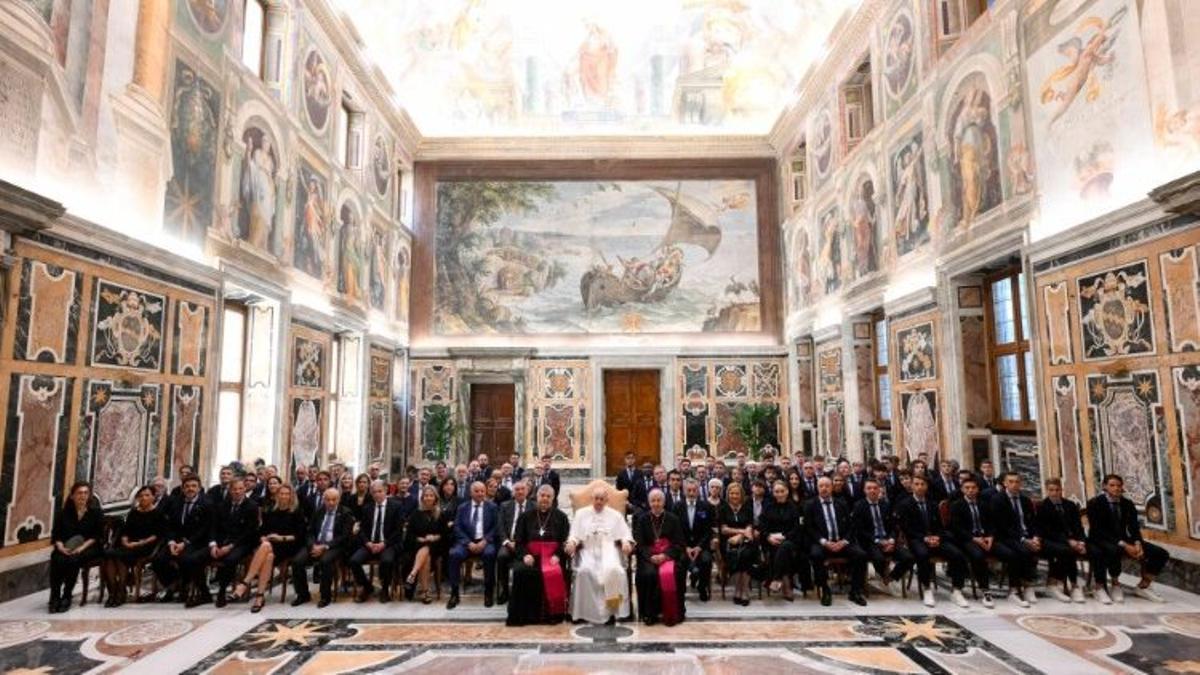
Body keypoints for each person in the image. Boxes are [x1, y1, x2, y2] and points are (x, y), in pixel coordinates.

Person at [1086, 473, 1168, 604]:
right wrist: (1124, 545)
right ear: (1105, 487)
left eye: (1119, 486)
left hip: (1123, 538)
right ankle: (1113, 585)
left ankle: (1143, 586)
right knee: (1114, 550)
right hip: (1100, 539)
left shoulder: (1127, 504)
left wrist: (1137, 543)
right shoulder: (1095, 503)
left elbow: (1134, 527)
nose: (1116, 488)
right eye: (1112, 485)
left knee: (1161, 553)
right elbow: (1098, 530)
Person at [895, 474, 969, 608]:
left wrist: (937, 537)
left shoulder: (933, 504)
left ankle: (957, 590)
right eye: (916, 484)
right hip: (917, 539)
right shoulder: (904, 504)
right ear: (912, 486)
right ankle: (927, 588)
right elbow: (906, 528)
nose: (920, 487)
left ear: (927, 486)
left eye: (922, 484)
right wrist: (924, 538)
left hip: (935, 538)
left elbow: (940, 526)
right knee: (923, 554)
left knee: (957, 554)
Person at [232, 483, 306, 612]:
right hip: (272, 547)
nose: (284, 496)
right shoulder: (271, 511)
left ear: (291, 496)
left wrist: (281, 538)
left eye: (287, 494)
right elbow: (261, 531)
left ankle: (244, 583)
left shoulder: (297, 512)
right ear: (277, 495)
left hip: (289, 546)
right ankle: (259, 597)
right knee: (268, 556)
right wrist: (262, 537)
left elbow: (300, 536)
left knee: (266, 548)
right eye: (281, 494)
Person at [566, 487, 634, 624]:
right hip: (588, 551)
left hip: (609, 552)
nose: (598, 502)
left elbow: (625, 534)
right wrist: (572, 542)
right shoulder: (581, 514)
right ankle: (583, 612)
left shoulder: (615, 515)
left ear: (606, 500)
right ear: (592, 499)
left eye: (601, 499)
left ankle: (612, 611)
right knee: (584, 571)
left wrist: (625, 542)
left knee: (614, 571)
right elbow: (574, 534)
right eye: (596, 498)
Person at [507, 484, 570, 626]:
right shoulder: (525, 517)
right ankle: (524, 616)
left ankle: (552, 615)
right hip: (531, 557)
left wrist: (558, 555)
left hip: (552, 558)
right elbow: (519, 541)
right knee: (520, 571)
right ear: (537, 497)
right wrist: (525, 555)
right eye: (542, 495)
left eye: (548, 496)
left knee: (555, 572)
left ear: (553, 499)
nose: (545, 499)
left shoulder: (561, 517)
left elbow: (564, 541)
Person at [805, 476, 867, 607]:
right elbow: (809, 528)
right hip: (822, 542)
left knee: (861, 555)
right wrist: (824, 542)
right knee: (816, 555)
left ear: (832, 487)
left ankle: (855, 591)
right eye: (821, 486)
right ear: (817, 488)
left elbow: (851, 526)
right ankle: (825, 590)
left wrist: (844, 541)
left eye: (827, 486)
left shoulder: (841, 503)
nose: (824, 489)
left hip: (841, 541)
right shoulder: (810, 504)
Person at [291, 488, 354, 607]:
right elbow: (310, 532)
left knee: (325, 561)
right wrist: (312, 545)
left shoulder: (346, 513)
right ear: (323, 500)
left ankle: (325, 596)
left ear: (339, 499)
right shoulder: (319, 511)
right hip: (316, 544)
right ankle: (303, 594)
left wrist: (325, 546)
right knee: (297, 561)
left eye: (334, 499)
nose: (331, 502)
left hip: (334, 546)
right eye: (328, 500)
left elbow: (344, 536)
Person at [949, 477, 1006, 608]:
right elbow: (956, 528)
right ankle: (985, 589)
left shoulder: (984, 504)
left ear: (978, 489)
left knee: (1009, 553)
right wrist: (974, 539)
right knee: (978, 555)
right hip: (967, 539)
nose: (971, 490)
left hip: (985, 538)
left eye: (973, 488)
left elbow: (992, 523)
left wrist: (990, 536)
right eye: (967, 488)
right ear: (962, 490)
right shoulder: (956, 505)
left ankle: (1016, 588)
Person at [152, 475, 211, 605]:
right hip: (176, 542)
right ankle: (174, 584)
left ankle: (192, 589)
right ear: (182, 489)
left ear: (199, 488)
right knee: (157, 560)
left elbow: (205, 529)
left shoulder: (207, 504)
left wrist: (185, 543)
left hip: (196, 542)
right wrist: (171, 542)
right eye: (187, 486)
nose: (190, 489)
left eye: (194, 486)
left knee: (186, 559)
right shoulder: (176, 503)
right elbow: (169, 525)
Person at [103, 486, 164, 607]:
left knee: (120, 556)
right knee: (109, 555)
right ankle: (113, 591)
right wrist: (126, 541)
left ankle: (121, 591)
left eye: (147, 495)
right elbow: (126, 531)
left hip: (147, 546)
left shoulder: (158, 513)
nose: (144, 498)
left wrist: (139, 543)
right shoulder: (134, 513)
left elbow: (157, 535)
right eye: (141, 496)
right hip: (130, 545)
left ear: (153, 497)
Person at [633, 490, 686, 626]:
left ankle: (672, 612)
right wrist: (651, 556)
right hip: (649, 558)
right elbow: (640, 544)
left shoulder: (673, 519)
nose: (656, 504)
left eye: (659, 500)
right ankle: (649, 613)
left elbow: (679, 543)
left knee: (675, 573)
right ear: (649, 502)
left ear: (664, 502)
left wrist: (665, 555)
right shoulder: (642, 519)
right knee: (649, 574)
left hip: (669, 557)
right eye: (653, 501)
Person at [852, 478, 913, 597]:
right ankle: (883, 573)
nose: (872, 491)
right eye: (869, 488)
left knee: (908, 557)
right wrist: (878, 541)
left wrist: (891, 540)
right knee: (878, 558)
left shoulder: (885, 505)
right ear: (864, 490)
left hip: (888, 540)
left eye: (875, 488)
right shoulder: (859, 506)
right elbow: (859, 531)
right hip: (871, 541)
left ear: (879, 490)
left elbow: (893, 526)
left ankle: (891, 577)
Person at [49, 482, 103, 613]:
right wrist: (61, 547)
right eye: (79, 493)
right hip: (66, 546)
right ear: (72, 496)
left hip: (89, 547)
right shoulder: (63, 513)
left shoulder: (95, 513)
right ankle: (55, 596)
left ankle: (67, 595)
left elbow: (96, 536)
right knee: (57, 558)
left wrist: (81, 548)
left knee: (73, 560)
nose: (82, 496)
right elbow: (56, 535)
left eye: (85, 493)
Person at [206, 477, 260, 607]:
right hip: (222, 542)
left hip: (242, 542)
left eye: (240, 489)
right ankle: (203, 592)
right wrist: (213, 544)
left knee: (230, 559)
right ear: (230, 490)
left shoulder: (252, 506)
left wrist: (230, 546)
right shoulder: (222, 506)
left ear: (245, 489)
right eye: (234, 489)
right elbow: (214, 527)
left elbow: (250, 532)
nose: (237, 491)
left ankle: (222, 591)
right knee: (196, 557)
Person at [990, 471, 1041, 607]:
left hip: (1026, 536)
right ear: (1005, 483)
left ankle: (1031, 585)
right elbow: (1002, 526)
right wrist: (1024, 540)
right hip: (1005, 537)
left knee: (1042, 548)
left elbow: (1033, 522)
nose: (1014, 485)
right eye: (1011, 482)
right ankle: (1016, 589)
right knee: (1021, 552)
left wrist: (1035, 537)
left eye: (1017, 482)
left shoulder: (1025, 500)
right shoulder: (997, 500)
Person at [348, 480, 403, 603]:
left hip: (388, 543)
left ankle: (385, 589)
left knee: (387, 561)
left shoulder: (396, 506)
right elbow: (362, 529)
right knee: (354, 561)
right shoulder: (367, 508)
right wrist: (368, 543)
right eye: (374, 492)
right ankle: (367, 587)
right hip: (370, 544)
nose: (377, 494)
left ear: (386, 491)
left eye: (380, 491)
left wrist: (384, 544)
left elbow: (398, 530)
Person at [447, 481, 499, 609]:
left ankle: (488, 592)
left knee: (490, 554)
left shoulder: (492, 507)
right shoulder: (462, 507)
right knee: (454, 555)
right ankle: (454, 593)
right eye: (477, 491)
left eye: (482, 491)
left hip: (485, 542)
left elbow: (496, 527)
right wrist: (468, 542)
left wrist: (485, 541)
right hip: (467, 542)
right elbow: (457, 527)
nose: (480, 493)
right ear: (471, 493)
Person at [1036, 478, 1088, 603]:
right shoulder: (1042, 506)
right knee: (1066, 550)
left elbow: (1078, 526)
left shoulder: (1070, 505)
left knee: (1092, 549)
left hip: (1072, 540)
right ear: (1047, 490)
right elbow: (1046, 531)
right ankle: (1066, 584)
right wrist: (1068, 541)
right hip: (1050, 540)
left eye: (1057, 490)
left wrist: (1081, 541)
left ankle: (1091, 586)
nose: (1054, 493)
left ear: (1061, 490)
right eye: (1051, 490)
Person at [759, 480, 806, 601]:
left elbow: (797, 528)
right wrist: (768, 537)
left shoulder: (794, 507)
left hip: (790, 540)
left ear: (787, 492)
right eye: (776, 492)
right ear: (773, 493)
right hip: (770, 540)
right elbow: (762, 526)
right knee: (781, 550)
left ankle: (776, 578)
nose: (779, 494)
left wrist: (784, 537)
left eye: (782, 491)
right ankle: (786, 585)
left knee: (784, 547)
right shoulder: (768, 507)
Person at [674, 478, 715, 602]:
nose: (691, 493)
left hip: (701, 545)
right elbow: (676, 530)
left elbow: (708, 530)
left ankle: (702, 587)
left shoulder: (707, 506)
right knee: (681, 561)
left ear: (698, 491)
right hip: (683, 546)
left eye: (694, 490)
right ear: (684, 491)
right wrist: (686, 547)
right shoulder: (677, 506)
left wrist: (699, 547)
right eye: (689, 490)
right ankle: (681, 590)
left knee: (706, 560)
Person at [718, 482, 758, 606]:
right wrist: (741, 532)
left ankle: (743, 590)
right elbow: (724, 529)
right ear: (728, 494)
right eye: (732, 493)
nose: (734, 496)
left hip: (746, 541)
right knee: (735, 555)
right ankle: (738, 589)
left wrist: (741, 536)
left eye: (737, 493)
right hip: (728, 542)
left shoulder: (747, 508)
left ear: (741, 495)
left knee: (746, 554)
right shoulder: (722, 508)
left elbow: (750, 527)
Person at [402, 486, 443, 603]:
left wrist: (435, 537)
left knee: (427, 550)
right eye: (426, 496)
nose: (428, 498)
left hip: (436, 546)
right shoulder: (416, 513)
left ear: (435, 498)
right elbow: (409, 535)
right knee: (426, 555)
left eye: (431, 495)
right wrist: (418, 539)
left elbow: (445, 533)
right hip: (417, 546)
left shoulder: (441, 514)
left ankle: (413, 573)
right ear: (422, 498)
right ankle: (425, 591)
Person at [496, 480, 533, 605]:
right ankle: (504, 591)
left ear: (527, 491)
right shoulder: (505, 506)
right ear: (513, 492)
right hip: (509, 543)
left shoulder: (534, 506)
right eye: (517, 489)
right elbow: (500, 527)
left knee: (529, 560)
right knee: (502, 556)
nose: (520, 492)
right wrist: (507, 542)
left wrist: (522, 544)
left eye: (523, 489)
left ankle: (524, 592)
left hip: (526, 545)